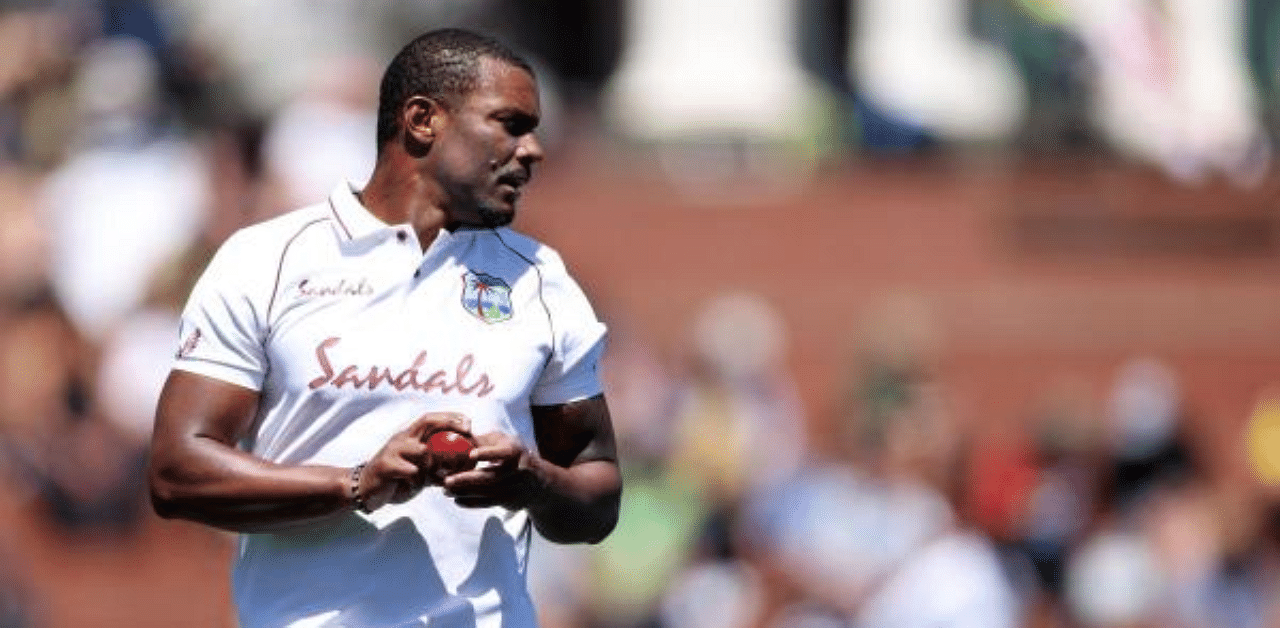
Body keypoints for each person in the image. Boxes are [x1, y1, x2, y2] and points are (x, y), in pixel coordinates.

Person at [147, 28, 622, 628]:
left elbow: (598, 494)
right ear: (422, 120)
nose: (533, 149)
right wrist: (355, 484)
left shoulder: (541, 280)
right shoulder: (266, 260)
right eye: (510, 123)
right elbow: (175, 473)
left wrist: (533, 483)